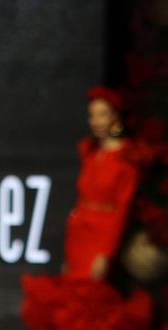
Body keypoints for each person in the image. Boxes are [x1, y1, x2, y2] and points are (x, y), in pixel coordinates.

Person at [63, 86, 139, 281]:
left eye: (102, 115)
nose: (96, 121)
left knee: (92, 296)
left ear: (115, 117)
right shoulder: (90, 153)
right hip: (78, 234)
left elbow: (122, 209)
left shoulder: (125, 159)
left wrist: (106, 253)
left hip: (101, 238)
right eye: (92, 115)